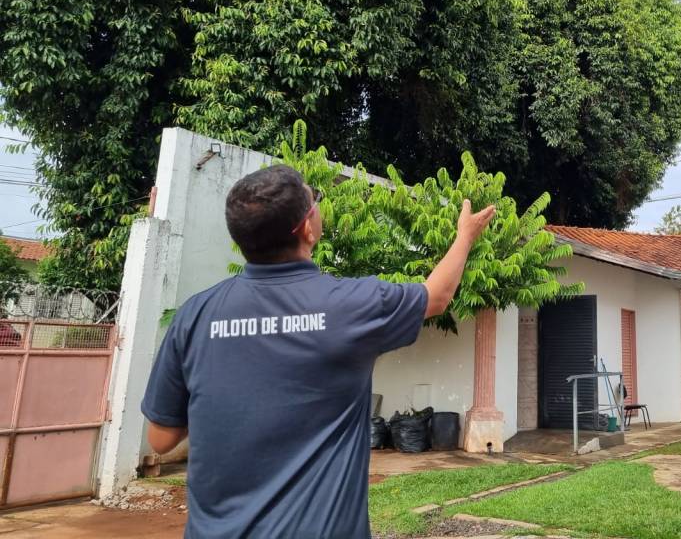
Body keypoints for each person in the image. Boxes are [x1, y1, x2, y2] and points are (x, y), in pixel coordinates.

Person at [141, 165, 495, 538]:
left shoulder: (195, 315)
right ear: (307, 228)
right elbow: (436, 296)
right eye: (316, 202)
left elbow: (161, 439)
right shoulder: (353, 305)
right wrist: (465, 237)